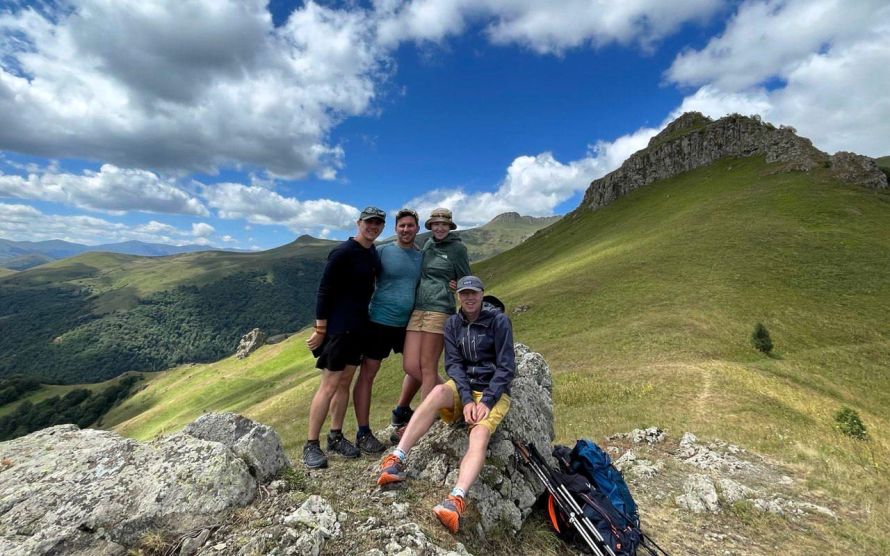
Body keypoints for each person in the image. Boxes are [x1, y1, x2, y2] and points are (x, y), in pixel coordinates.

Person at [376, 275, 515, 534]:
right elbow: (453, 364)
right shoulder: (452, 323)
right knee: (439, 390)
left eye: (474, 293)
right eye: (464, 293)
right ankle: (396, 459)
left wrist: (486, 401)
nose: (469, 298)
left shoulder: (499, 321)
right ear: (458, 296)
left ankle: (456, 500)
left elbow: (506, 367)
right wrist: (466, 399)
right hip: (464, 387)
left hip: (493, 392)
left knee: (480, 433)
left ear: (482, 294)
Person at [303, 207, 385, 469]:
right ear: (359, 223)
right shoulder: (343, 252)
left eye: (378, 223)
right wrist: (320, 330)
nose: (373, 226)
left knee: (345, 382)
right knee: (329, 384)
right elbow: (324, 290)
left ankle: (335, 436)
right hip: (339, 329)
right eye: (369, 222)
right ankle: (311, 444)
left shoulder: (371, 252)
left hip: (359, 327)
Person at [351, 208, 423, 454]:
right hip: (378, 321)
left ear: (417, 228)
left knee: (418, 368)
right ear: (395, 228)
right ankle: (363, 432)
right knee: (368, 373)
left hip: (408, 323)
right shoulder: (381, 251)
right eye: (402, 225)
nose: (406, 229)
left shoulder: (421, 256)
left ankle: (401, 410)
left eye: (410, 225)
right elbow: (361, 276)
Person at [394, 208, 471, 433]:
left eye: (444, 224)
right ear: (430, 226)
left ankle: (420, 421)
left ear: (450, 226)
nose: (439, 228)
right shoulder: (428, 244)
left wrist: (457, 285)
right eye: (435, 224)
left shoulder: (458, 249)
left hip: (440, 309)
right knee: (410, 365)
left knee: (428, 367)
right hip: (418, 308)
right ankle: (450, 395)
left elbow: (466, 277)